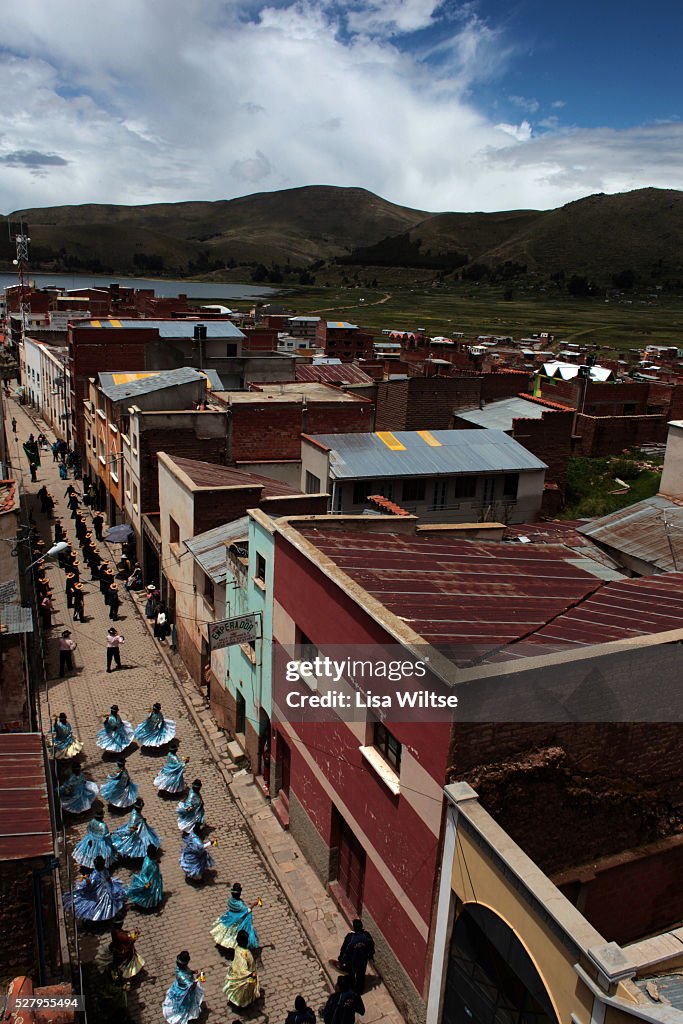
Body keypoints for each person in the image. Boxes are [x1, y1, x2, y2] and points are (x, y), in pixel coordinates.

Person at [65, 854, 126, 922]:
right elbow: (108, 878)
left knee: (97, 901)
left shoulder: (95, 874)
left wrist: (86, 879)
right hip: (107, 887)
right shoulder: (104, 870)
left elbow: (91, 885)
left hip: (99, 891)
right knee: (110, 899)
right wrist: (111, 885)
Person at [210, 882, 260, 950]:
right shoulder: (240, 905)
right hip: (237, 920)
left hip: (230, 916)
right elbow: (246, 911)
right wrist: (254, 904)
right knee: (235, 933)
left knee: (228, 930)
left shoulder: (230, 900)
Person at [162, 950, 205, 1024]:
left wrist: (192, 972)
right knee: (184, 1006)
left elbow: (186, 971)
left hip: (180, 986)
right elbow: (192, 987)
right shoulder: (182, 976)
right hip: (185, 993)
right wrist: (199, 978)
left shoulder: (179, 966)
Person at [222, 930, 260, 1009]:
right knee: (245, 990)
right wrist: (252, 975)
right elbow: (243, 970)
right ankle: (242, 1003)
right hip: (246, 975)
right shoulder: (244, 954)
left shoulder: (238, 948)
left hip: (239, 972)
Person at [338, 919, 375, 995]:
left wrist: (342, 960)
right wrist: (370, 955)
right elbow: (371, 946)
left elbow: (345, 950)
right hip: (363, 960)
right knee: (361, 974)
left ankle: (351, 988)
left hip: (352, 961)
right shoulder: (366, 936)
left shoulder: (350, 938)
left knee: (351, 973)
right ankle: (359, 990)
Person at [125, 844, 163, 909]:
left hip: (153, 879)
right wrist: (146, 882)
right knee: (148, 891)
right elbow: (144, 874)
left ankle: (152, 902)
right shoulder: (148, 863)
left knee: (152, 890)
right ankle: (147, 903)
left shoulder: (150, 860)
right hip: (149, 881)